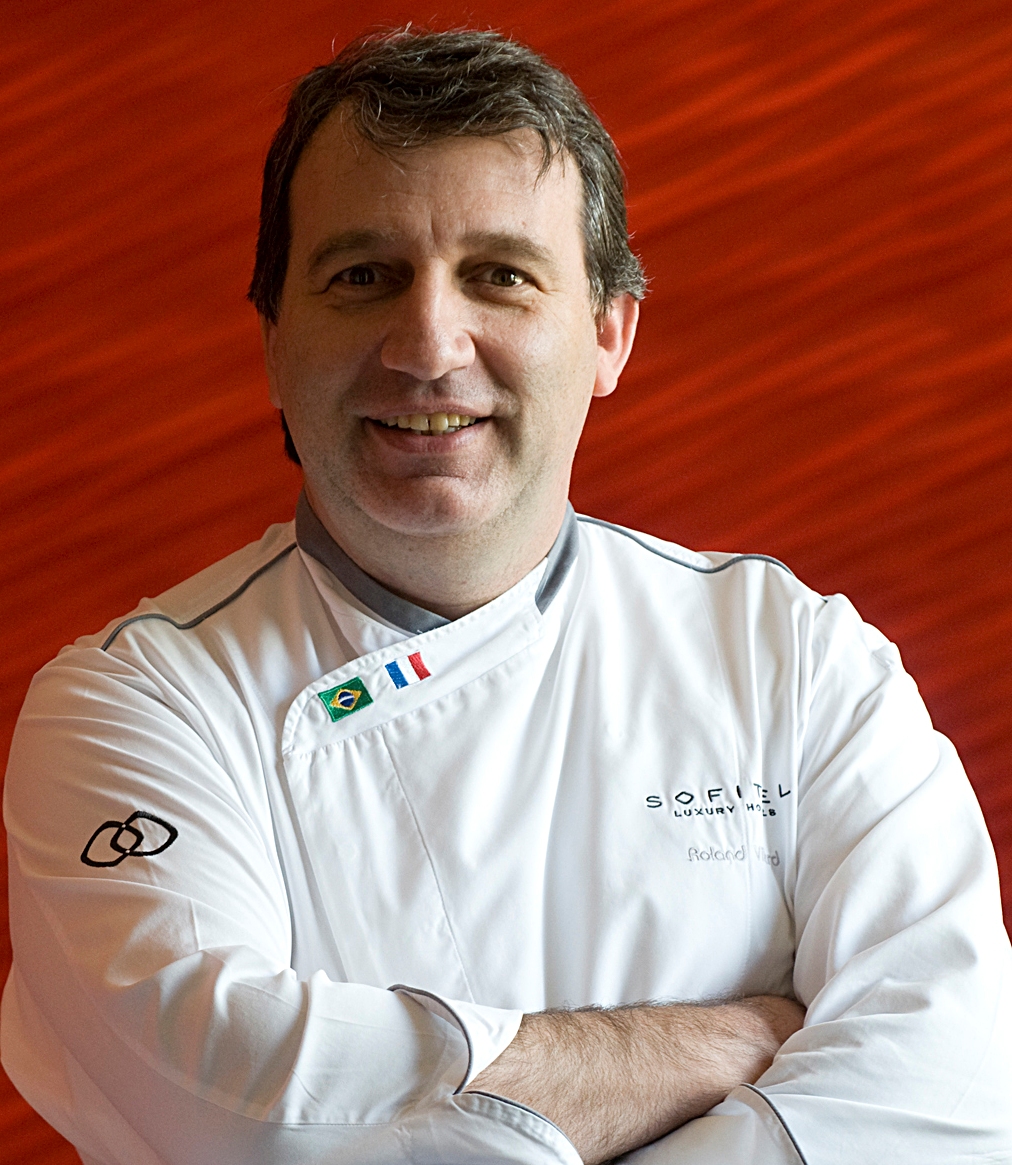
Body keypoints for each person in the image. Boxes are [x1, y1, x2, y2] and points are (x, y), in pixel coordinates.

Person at [3, 26, 1010, 1165]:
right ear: (275, 339)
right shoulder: (137, 705)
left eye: (500, 275)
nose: (430, 346)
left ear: (609, 334)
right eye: (362, 276)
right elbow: (254, 1116)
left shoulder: (793, 659)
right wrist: (733, 1042)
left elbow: (956, 1087)